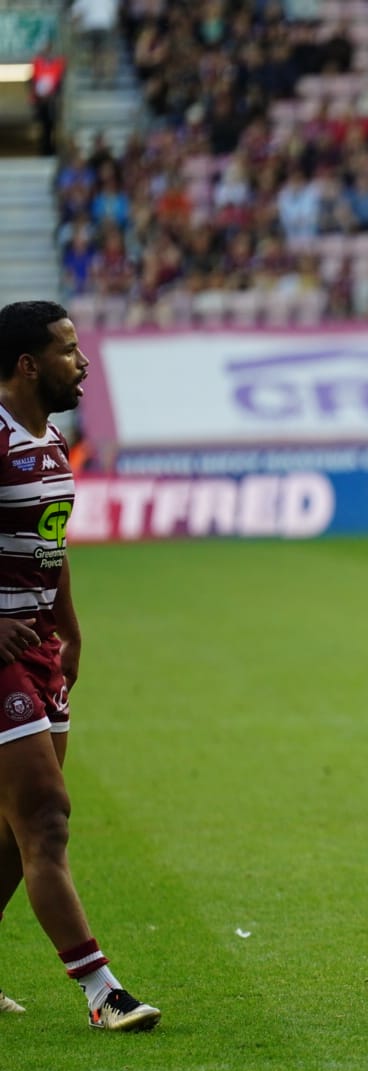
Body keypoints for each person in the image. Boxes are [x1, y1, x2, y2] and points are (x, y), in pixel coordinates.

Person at [0, 300, 160, 1030]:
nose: (84, 360)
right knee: (47, 817)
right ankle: (103, 992)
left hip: (38, 649)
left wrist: (69, 627)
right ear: (28, 365)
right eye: (68, 349)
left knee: (13, 834)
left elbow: (50, 542)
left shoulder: (53, 440)